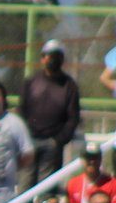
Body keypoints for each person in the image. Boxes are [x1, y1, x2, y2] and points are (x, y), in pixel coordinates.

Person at [21, 40, 82, 175]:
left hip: (53, 145)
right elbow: (22, 110)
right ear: (42, 58)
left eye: (57, 56)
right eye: (49, 56)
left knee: (47, 189)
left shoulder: (69, 85)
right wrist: (24, 136)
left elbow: (73, 117)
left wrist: (59, 140)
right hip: (29, 142)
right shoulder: (32, 82)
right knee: (24, 186)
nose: (53, 60)